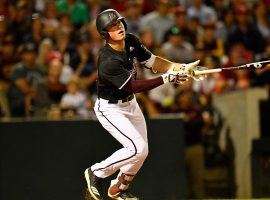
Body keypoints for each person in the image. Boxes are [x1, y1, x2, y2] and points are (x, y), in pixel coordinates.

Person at [84, 9, 204, 200]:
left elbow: (153, 61)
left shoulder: (131, 40)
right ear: (105, 34)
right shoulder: (108, 60)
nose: (119, 27)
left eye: (119, 22)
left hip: (130, 104)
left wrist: (180, 67)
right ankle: (96, 172)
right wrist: (167, 78)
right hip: (110, 108)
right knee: (136, 148)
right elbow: (133, 86)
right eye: (113, 26)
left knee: (142, 151)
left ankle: (119, 188)